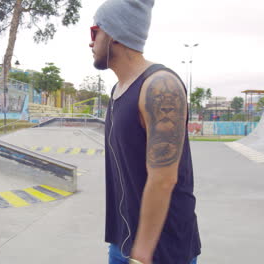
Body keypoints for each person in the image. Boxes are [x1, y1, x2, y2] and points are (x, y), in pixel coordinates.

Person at [89, 0, 201, 263]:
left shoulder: (160, 85)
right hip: (124, 241)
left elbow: (164, 179)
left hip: (161, 250)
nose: (90, 42)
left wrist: (141, 255)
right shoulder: (118, 90)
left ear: (114, 34)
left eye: (95, 32)